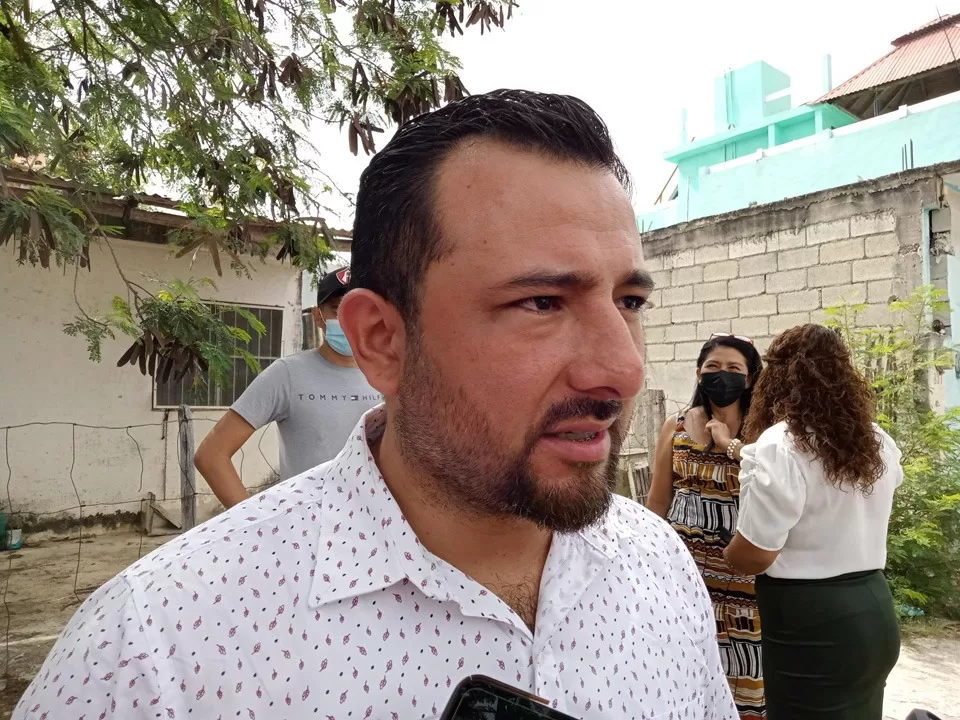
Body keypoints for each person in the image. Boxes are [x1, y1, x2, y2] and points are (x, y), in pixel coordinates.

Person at [15, 90, 737, 720]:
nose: (624, 369)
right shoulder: (155, 649)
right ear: (383, 340)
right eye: (542, 302)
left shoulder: (662, 569)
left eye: (630, 301)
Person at [724, 324, 903, 719]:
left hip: (812, 623)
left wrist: (725, 553)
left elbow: (755, 555)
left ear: (776, 378)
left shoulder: (779, 445)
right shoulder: (876, 441)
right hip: (874, 608)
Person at [647, 333, 766, 719]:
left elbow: (776, 488)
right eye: (713, 367)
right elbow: (658, 501)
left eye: (734, 368)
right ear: (699, 374)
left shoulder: (763, 434)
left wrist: (729, 443)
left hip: (744, 589)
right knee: (683, 682)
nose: (722, 375)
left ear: (749, 379)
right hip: (684, 580)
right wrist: (650, 565)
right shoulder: (676, 426)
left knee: (745, 687)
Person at [193, 266, 382, 507]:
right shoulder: (288, 374)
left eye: (361, 309)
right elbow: (211, 455)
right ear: (318, 317)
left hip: (377, 523)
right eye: (338, 309)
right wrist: (256, 522)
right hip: (308, 526)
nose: (351, 320)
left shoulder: (394, 378)